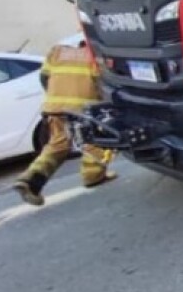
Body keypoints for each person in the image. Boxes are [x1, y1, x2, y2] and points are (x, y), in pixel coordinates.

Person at [13, 39, 117, 206]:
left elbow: (44, 77)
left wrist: (56, 98)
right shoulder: (95, 56)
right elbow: (103, 84)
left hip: (55, 107)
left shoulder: (58, 52)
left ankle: (30, 181)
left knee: (57, 145)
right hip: (82, 108)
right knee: (97, 140)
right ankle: (93, 176)